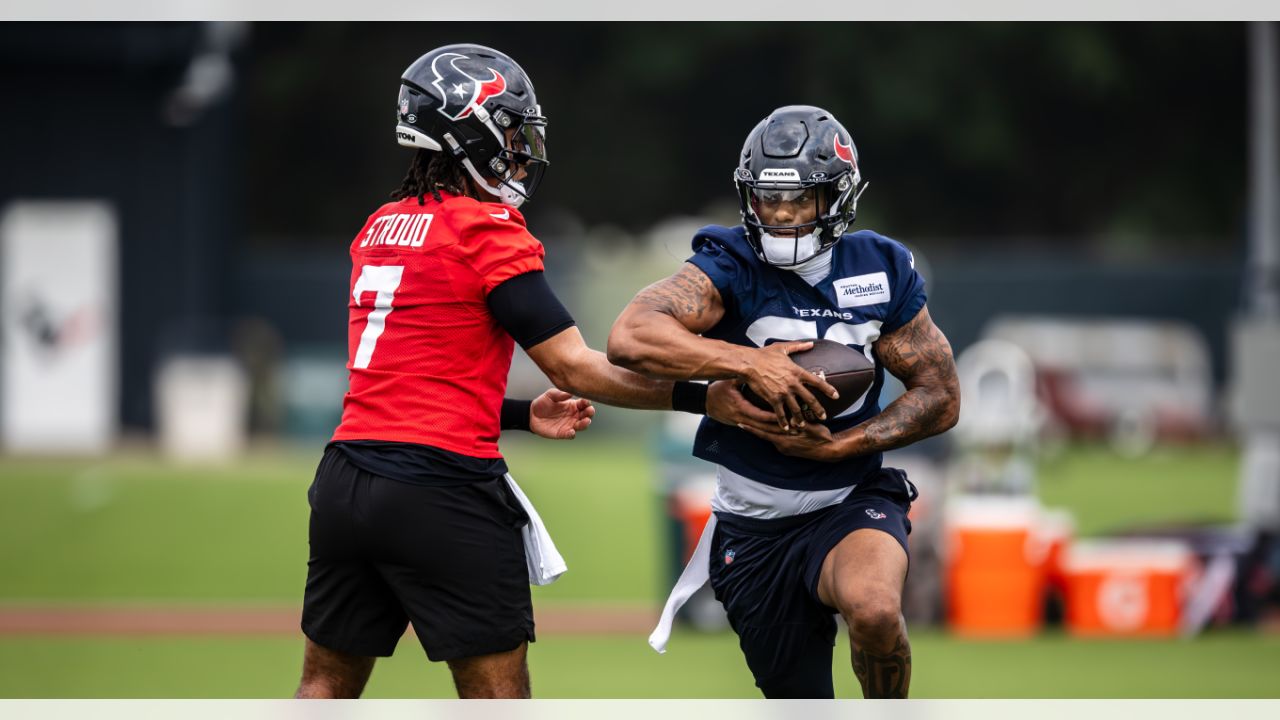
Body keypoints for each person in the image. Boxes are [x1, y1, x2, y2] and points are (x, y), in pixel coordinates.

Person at [292, 44, 789, 700]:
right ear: (467, 129)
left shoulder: (381, 227)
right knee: (499, 700)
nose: (522, 151)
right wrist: (706, 400)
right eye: (510, 131)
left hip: (344, 484)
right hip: (439, 492)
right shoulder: (488, 231)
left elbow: (401, 384)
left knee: (323, 687)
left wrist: (524, 415)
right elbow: (576, 367)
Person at [608, 105, 961, 699]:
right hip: (754, 524)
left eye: (799, 199)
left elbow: (941, 396)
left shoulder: (881, 267)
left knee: (875, 612)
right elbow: (630, 336)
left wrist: (841, 446)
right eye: (767, 199)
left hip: (849, 498)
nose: (780, 215)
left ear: (838, 195)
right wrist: (750, 362)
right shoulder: (729, 263)